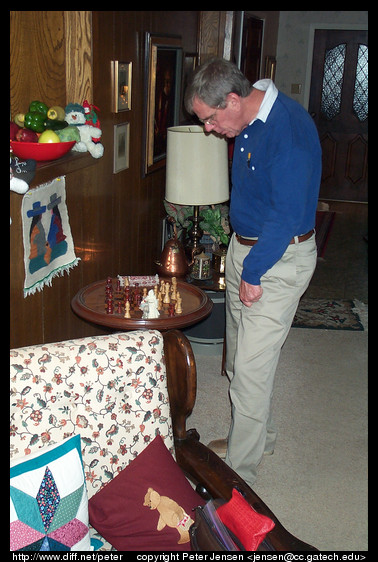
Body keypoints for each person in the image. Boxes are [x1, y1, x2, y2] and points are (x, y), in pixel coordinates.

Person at [184, 58, 321, 488]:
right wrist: (236, 255)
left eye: (209, 119)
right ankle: (263, 436)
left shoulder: (289, 131)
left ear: (232, 99)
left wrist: (254, 272)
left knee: (250, 372)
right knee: (239, 362)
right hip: (244, 251)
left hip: (276, 260)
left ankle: (237, 482)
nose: (208, 129)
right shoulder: (246, 119)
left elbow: (283, 218)